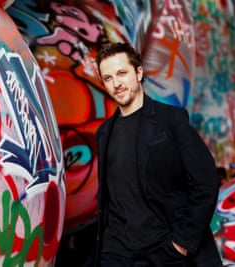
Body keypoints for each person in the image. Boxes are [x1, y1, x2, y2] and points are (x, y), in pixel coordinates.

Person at [93, 42, 222, 267]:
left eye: (122, 73)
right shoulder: (104, 133)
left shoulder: (171, 121)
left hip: (164, 253)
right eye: (108, 78)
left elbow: (206, 182)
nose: (116, 84)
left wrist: (180, 243)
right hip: (117, 253)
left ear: (139, 72)